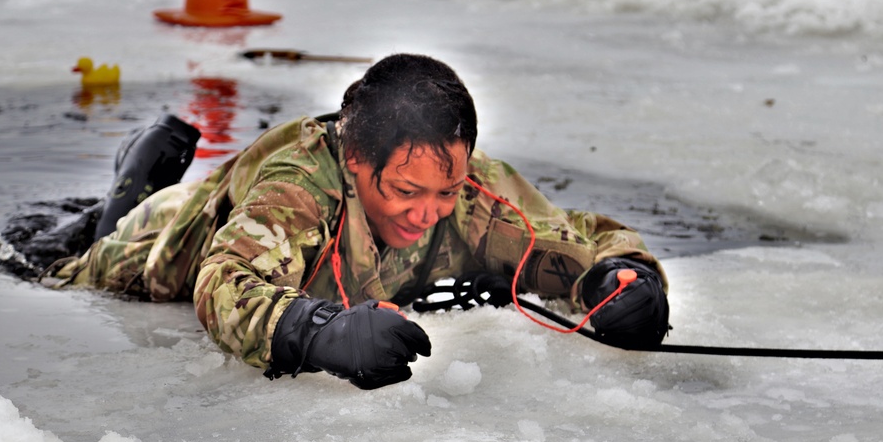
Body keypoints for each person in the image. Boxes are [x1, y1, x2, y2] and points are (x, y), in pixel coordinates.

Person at [35, 53, 670, 390]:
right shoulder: (299, 189)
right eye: (404, 191)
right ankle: (140, 167)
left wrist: (627, 280)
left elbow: (583, 235)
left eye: (446, 190)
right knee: (87, 247)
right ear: (357, 160)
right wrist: (315, 332)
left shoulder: (471, 189)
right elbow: (223, 283)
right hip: (154, 253)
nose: (428, 213)